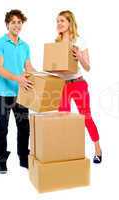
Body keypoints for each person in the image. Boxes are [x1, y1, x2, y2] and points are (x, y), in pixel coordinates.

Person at [54, 10, 102, 163]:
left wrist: (79, 56)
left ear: (69, 23)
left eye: (62, 20)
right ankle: (67, 152)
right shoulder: (56, 43)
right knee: (63, 120)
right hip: (62, 86)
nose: (59, 24)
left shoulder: (79, 41)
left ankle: (98, 150)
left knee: (86, 117)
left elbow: (87, 67)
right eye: (57, 21)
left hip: (78, 84)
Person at [0, 9, 36, 174]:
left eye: (19, 22)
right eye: (13, 22)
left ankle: (24, 159)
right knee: (2, 128)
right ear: (7, 24)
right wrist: (18, 78)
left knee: (24, 127)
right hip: (3, 94)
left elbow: (29, 68)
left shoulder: (25, 46)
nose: (16, 25)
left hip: (21, 94)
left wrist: (42, 78)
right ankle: (1, 160)